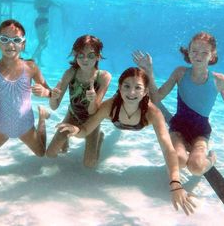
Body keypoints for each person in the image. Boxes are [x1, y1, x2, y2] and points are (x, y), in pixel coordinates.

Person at [133, 32, 224, 176]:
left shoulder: (219, 80)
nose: (198, 55)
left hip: (201, 130)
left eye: (204, 52)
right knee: (179, 161)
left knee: (196, 168)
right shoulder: (180, 73)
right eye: (195, 51)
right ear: (188, 53)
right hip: (178, 127)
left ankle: (211, 159)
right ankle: (185, 148)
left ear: (212, 55)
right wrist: (149, 71)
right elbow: (157, 97)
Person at [57, 67, 195, 215]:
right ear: (119, 87)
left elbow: (168, 149)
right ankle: (102, 137)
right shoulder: (110, 106)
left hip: (138, 122)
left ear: (146, 91)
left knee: (118, 137)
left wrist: (175, 183)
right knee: (111, 138)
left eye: (138, 87)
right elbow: (85, 130)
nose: (131, 92)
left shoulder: (153, 112)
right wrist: (76, 131)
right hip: (117, 121)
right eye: (127, 86)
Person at [0, 19, 51, 160]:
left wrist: (46, 92)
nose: (10, 44)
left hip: (26, 126)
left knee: (41, 153)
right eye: (4, 39)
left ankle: (42, 117)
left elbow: (51, 93)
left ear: (23, 44)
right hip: (0, 127)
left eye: (16, 40)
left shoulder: (31, 67)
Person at [46, 35, 111, 167]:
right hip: (72, 115)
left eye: (91, 55)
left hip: (92, 120)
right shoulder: (71, 73)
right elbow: (54, 107)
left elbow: (93, 110)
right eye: (81, 55)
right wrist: (53, 97)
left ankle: (99, 137)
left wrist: (92, 100)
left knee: (89, 165)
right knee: (50, 154)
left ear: (98, 56)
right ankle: (65, 140)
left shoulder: (103, 77)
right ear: (75, 55)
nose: (85, 59)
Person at [32, 0, 52, 66]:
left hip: (38, 21)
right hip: (44, 22)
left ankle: (39, 61)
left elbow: (35, 7)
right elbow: (54, 3)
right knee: (44, 44)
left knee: (41, 43)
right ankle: (32, 59)